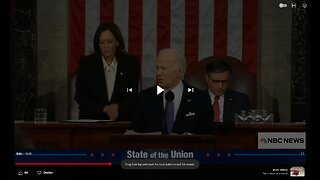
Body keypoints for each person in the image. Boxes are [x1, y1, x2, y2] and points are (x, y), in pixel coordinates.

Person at [129, 48, 214, 135]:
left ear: (179, 72)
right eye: (157, 68)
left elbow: (207, 136)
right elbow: (133, 133)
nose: (159, 73)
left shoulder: (200, 99)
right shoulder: (144, 98)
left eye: (164, 68)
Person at [75, 22, 140, 121]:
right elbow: (81, 96)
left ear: (117, 42)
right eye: (102, 42)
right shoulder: (87, 64)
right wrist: (104, 109)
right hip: (92, 121)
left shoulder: (130, 64)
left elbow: (131, 92)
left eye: (109, 42)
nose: (106, 46)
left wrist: (118, 107)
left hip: (122, 121)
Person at [205, 59, 251, 125]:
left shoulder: (241, 100)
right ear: (207, 78)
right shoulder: (196, 99)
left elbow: (245, 128)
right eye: (216, 81)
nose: (220, 86)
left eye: (224, 81)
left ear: (230, 78)